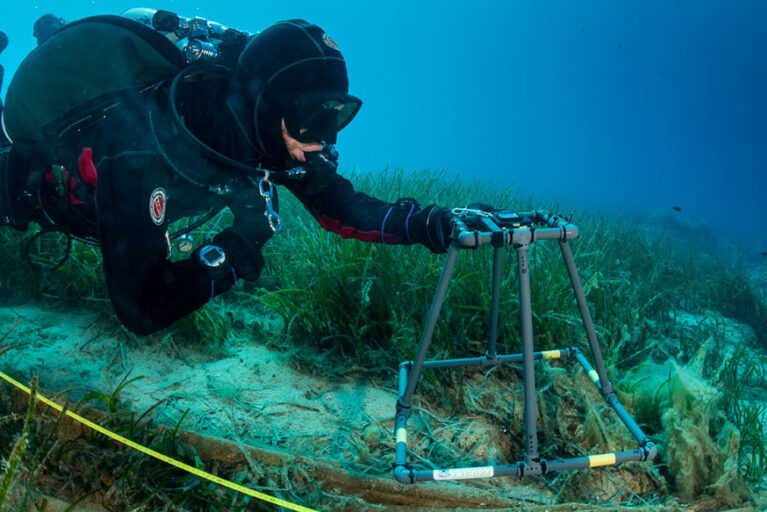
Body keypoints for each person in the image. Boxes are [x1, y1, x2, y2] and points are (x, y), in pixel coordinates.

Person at [0, 12, 455, 335]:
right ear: (267, 106)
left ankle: (49, 32)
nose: (324, 140)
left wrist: (427, 223)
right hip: (44, 193)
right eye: (313, 119)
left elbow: (339, 205)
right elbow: (142, 308)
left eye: (336, 117)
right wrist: (238, 250)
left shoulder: (270, 140)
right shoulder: (142, 145)